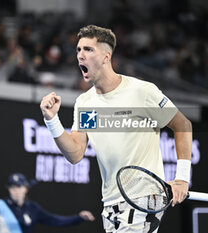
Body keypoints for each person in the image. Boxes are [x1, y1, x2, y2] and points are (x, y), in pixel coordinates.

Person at [40, 25, 192, 233]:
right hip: (111, 205)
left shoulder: (141, 92)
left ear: (106, 56)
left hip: (143, 199)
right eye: (78, 50)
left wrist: (182, 178)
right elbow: (75, 153)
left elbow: (183, 125)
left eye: (88, 50)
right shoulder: (85, 102)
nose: (80, 56)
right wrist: (52, 120)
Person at [0, 173, 95, 233]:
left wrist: (78, 218)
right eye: (12, 187)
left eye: (18, 187)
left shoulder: (33, 208)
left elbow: (56, 220)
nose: (15, 190)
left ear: (26, 188)